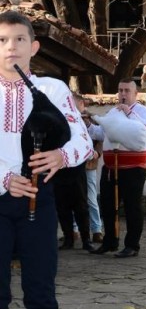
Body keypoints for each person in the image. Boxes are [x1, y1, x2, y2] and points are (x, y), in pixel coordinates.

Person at [0, 10, 93, 309]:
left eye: (20, 40)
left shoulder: (52, 90)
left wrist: (59, 154)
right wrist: (4, 178)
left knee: (42, 296)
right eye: (3, 41)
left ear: (34, 47)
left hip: (40, 202)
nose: (11, 48)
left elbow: (84, 144)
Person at [86, 79, 146, 258]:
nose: (123, 94)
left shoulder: (143, 111)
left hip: (133, 168)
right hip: (111, 167)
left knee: (132, 207)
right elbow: (102, 133)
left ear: (135, 94)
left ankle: (132, 245)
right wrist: (89, 126)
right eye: (120, 90)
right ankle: (109, 242)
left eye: (127, 90)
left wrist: (129, 112)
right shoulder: (112, 111)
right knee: (107, 205)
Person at [53, 92, 94, 252]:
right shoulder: (54, 118)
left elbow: (85, 141)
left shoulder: (77, 120)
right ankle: (68, 239)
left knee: (81, 206)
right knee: (62, 207)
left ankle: (86, 240)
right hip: (59, 169)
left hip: (76, 170)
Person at [76, 94, 103, 243]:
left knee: (91, 198)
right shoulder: (69, 119)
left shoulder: (92, 119)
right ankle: (74, 230)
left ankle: (97, 229)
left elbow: (100, 139)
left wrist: (97, 154)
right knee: (74, 198)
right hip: (73, 165)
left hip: (89, 164)